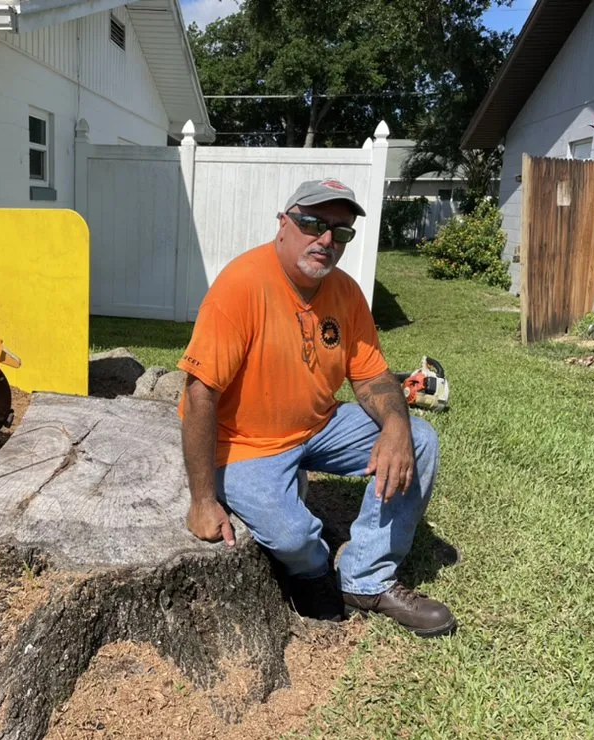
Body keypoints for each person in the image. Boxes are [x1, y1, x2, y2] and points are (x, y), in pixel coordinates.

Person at [177, 178, 456, 638]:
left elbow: (371, 376)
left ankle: (365, 577)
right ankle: (310, 574)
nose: (326, 239)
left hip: (318, 425)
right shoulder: (241, 285)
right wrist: (202, 500)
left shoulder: (345, 293)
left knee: (419, 439)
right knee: (293, 536)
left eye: (341, 232)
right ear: (284, 223)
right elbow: (199, 392)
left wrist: (395, 427)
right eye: (312, 223)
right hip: (244, 444)